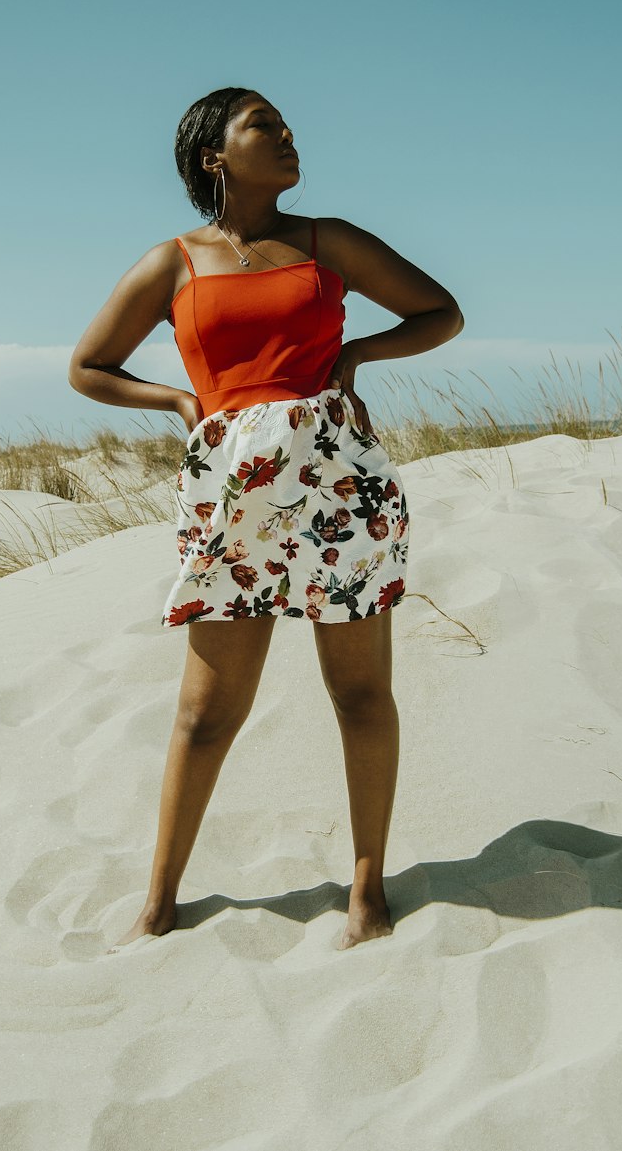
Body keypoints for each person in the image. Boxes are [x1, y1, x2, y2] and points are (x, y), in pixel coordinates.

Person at [68, 87, 463, 949]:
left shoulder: (330, 242)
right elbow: (89, 367)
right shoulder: (172, 262)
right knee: (206, 709)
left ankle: (367, 889)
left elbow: (442, 312)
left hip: (338, 484)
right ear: (215, 154)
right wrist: (178, 399)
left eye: (288, 125)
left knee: (359, 691)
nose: (287, 136)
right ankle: (159, 900)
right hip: (231, 496)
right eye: (263, 126)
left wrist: (357, 351)